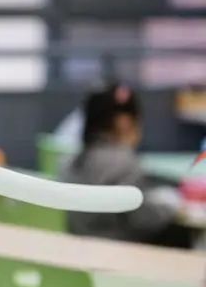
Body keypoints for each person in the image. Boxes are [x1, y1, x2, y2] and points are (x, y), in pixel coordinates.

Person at [63, 85, 188, 247]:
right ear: (124, 122)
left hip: (80, 252)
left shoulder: (73, 161)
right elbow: (141, 218)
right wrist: (169, 207)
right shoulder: (124, 162)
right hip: (115, 254)